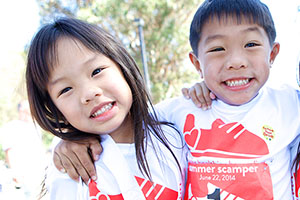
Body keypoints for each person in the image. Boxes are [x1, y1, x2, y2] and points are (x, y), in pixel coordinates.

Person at [50, 0, 300, 199]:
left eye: (251, 44)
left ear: (273, 53)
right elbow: (124, 126)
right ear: (196, 63)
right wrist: (69, 141)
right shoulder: (179, 111)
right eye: (217, 49)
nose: (236, 61)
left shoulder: (290, 103)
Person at [25, 17, 188, 199]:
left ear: (121, 65)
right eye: (66, 89)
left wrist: (203, 91)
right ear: (54, 108)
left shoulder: (177, 132)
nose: (89, 93)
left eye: (96, 71)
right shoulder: (70, 171)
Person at [0, 100, 47, 199]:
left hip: (39, 172)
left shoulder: (35, 126)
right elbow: (9, 151)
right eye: (26, 109)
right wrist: (15, 172)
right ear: (21, 110)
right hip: (23, 174)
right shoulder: (11, 127)